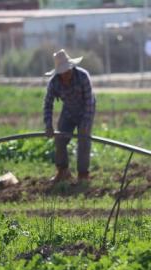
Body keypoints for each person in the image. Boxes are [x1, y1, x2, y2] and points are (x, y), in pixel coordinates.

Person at [43, 49, 96, 183]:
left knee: (84, 140)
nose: (66, 75)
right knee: (59, 138)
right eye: (62, 73)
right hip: (68, 111)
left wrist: (86, 122)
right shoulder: (54, 82)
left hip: (85, 110)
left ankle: (83, 174)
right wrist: (48, 124)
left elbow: (89, 101)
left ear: (71, 67)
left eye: (67, 71)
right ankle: (63, 171)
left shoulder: (83, 76)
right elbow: (48, 104)